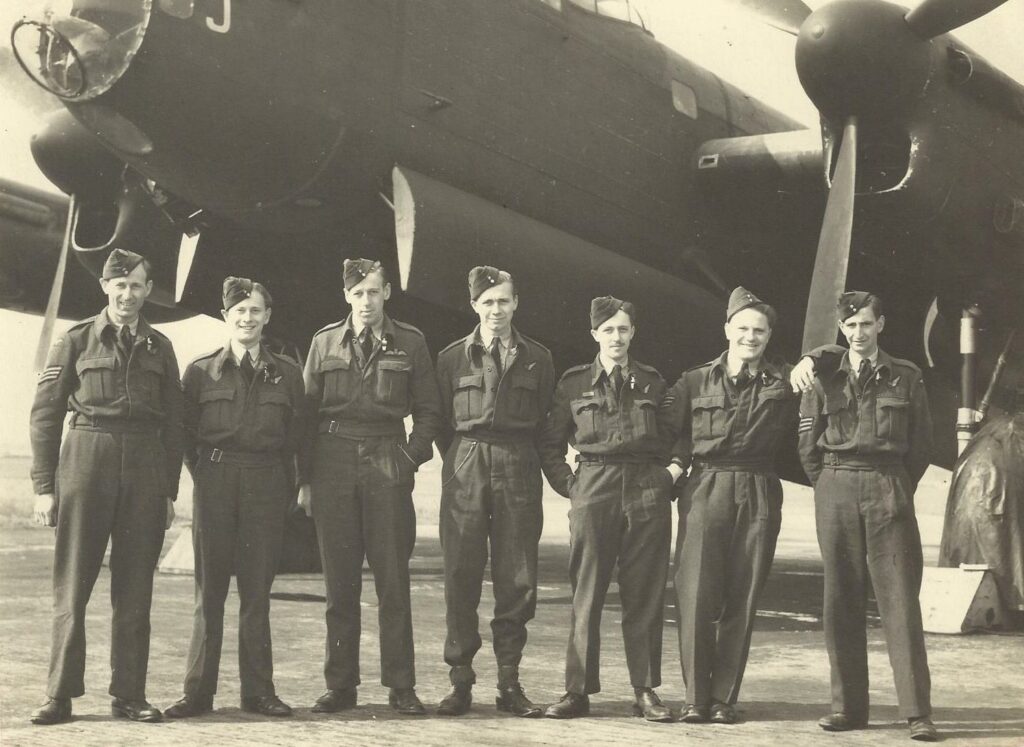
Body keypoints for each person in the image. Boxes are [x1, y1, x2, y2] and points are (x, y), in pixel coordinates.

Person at [662, 286, 834, 725]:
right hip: (705, 486)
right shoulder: (694, 380)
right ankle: (696, 698)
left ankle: (723, 699)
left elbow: (837, 356)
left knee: (745, 591)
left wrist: (812, 357)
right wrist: (676, 469)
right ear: (727, 329)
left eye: (759, 330)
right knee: (696, 593)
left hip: (758, 485)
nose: (750, 337)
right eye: (742, 328)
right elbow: (668, 432)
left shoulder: (786, 381)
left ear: (769, 336)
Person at [28, 248, 183, 725]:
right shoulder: (75, 340)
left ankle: (129, 693)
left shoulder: (160, 346)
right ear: (105, 287)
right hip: (86, 459)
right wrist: (43, 486)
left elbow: (175, 424)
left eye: (137, 285)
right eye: (120, 285)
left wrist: (168, 491)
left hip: (143, 466)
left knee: (135, 589)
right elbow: (45, 415)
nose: (128, 294)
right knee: (73, 586)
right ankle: (59, 695)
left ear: (147, 291)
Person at [298, 259, 442, 716]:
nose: (366, 301)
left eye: (374, 292)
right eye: (358, 293)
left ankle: (401, 685)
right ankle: (340, 685)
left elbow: (429, 412)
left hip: (386, 458)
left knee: (393, 583)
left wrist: (406, 459)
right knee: (340, 586)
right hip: (333, 460)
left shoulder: (411, 342)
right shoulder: (324, 343)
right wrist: (305, 479)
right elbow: (305, 416)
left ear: (387, 295)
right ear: (346, 296)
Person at [798, 291, 937, 742]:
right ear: (841, 329)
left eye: (866, 324)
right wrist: (829, 483)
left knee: (899, 601)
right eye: (850, 325)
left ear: (881, 325)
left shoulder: (906, 376)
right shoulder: (823, 377)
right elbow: (808, 445)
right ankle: (848, 708)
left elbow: (921, 446)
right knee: (840, 600)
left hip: (887, 487)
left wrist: (892, 483)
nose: (858, 333)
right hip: (836, 487)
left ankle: (917, 713)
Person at [164, 277, 304, 719]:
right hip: (216, 481)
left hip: (265, 482)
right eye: (239, 311)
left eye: (255, 311)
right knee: (210, 593)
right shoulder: (201, 371)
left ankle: (259, 692)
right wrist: (206, 472)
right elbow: (183, 435)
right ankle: (197, 693)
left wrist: (281, 483)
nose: (247, 318)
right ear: (226, 317)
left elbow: (296, 438)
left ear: (267, 317)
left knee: (257, 593)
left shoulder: (287, 373)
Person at [539, 296, 674, 722]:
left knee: (645, 594)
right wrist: (572, 488)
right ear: (594, 334)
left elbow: (675, 437)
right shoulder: (574, 383)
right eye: (608, 329)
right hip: (593, 487)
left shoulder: (653, 382)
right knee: (587, 592)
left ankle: (646, 689)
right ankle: (577, 691)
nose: (616, 337)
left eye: (623, 329)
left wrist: (668, 478)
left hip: (645, 489)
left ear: (633, 333)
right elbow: (549, 443)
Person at [433, 266, 555, 717]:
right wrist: (465, 458)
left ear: (516, 303)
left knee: (517, 577)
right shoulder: (451, 358)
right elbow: (444, 423)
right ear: (474, 306)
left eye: (504, 300)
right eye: (487, 302)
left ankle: (509, 683)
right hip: (466, 461)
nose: (496, 309)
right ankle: (460, 681)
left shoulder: (538, 358)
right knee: (460, 574)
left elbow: (544, 419)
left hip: (518, 463)